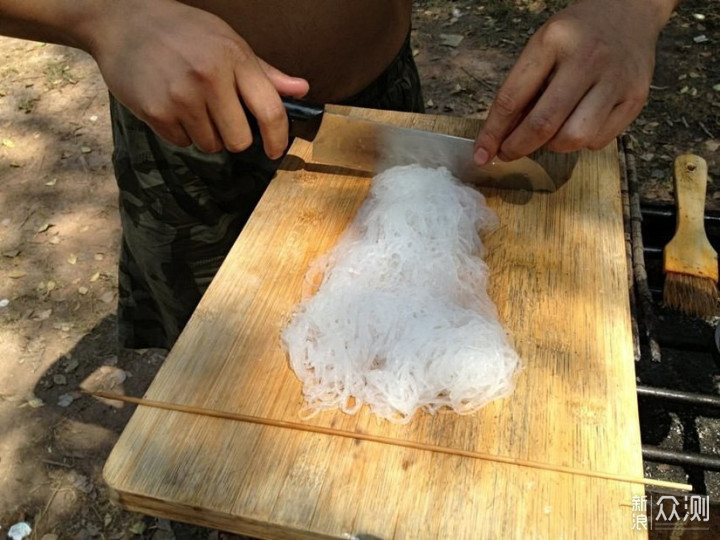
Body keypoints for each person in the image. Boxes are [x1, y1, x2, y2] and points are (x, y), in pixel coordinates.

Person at [0, 0, 681, 349]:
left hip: (378, 120)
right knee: (209, 377)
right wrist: (102, 14)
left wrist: (629, 8)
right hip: (190, 136)